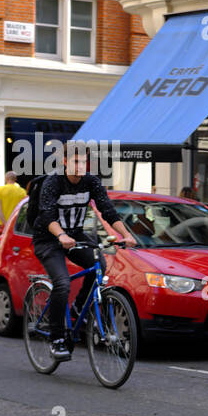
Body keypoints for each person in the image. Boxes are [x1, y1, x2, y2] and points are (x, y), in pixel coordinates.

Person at [31, 150, 134, 362]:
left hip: (75, 235)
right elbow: (47, 215)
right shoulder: (54, 182)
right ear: (65, 162)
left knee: (99, 263)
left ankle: (79, 306)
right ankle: (57, 338)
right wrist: (60, 235)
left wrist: (125, 234)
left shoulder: (91, 182)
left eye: (84, 161)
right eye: (76, 161)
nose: (80, 165)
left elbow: (107, 210)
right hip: (48, 239)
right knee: (62, 284)